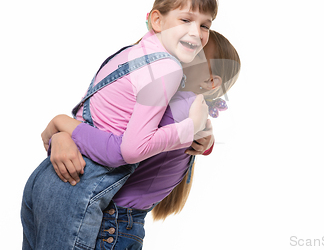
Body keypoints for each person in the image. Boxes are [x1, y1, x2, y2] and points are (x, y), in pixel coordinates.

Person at [21, 0, 220, 249]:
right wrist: (193, 128)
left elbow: (96, 120)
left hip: (47, 181)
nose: (196, 32)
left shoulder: (130, 55)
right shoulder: (165, 70)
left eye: (205, 25)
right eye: (185, 20)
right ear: (157, 21)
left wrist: (61, 127)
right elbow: (128, 150)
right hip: (89, 195)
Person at [40, 30, 240, 249]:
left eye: (197, 51)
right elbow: (106, 131)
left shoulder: (181, 106)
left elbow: (113, 148)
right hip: (122, 222)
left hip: (109, 222)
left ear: (210, 81)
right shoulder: (191, 112)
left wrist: (62, 125)